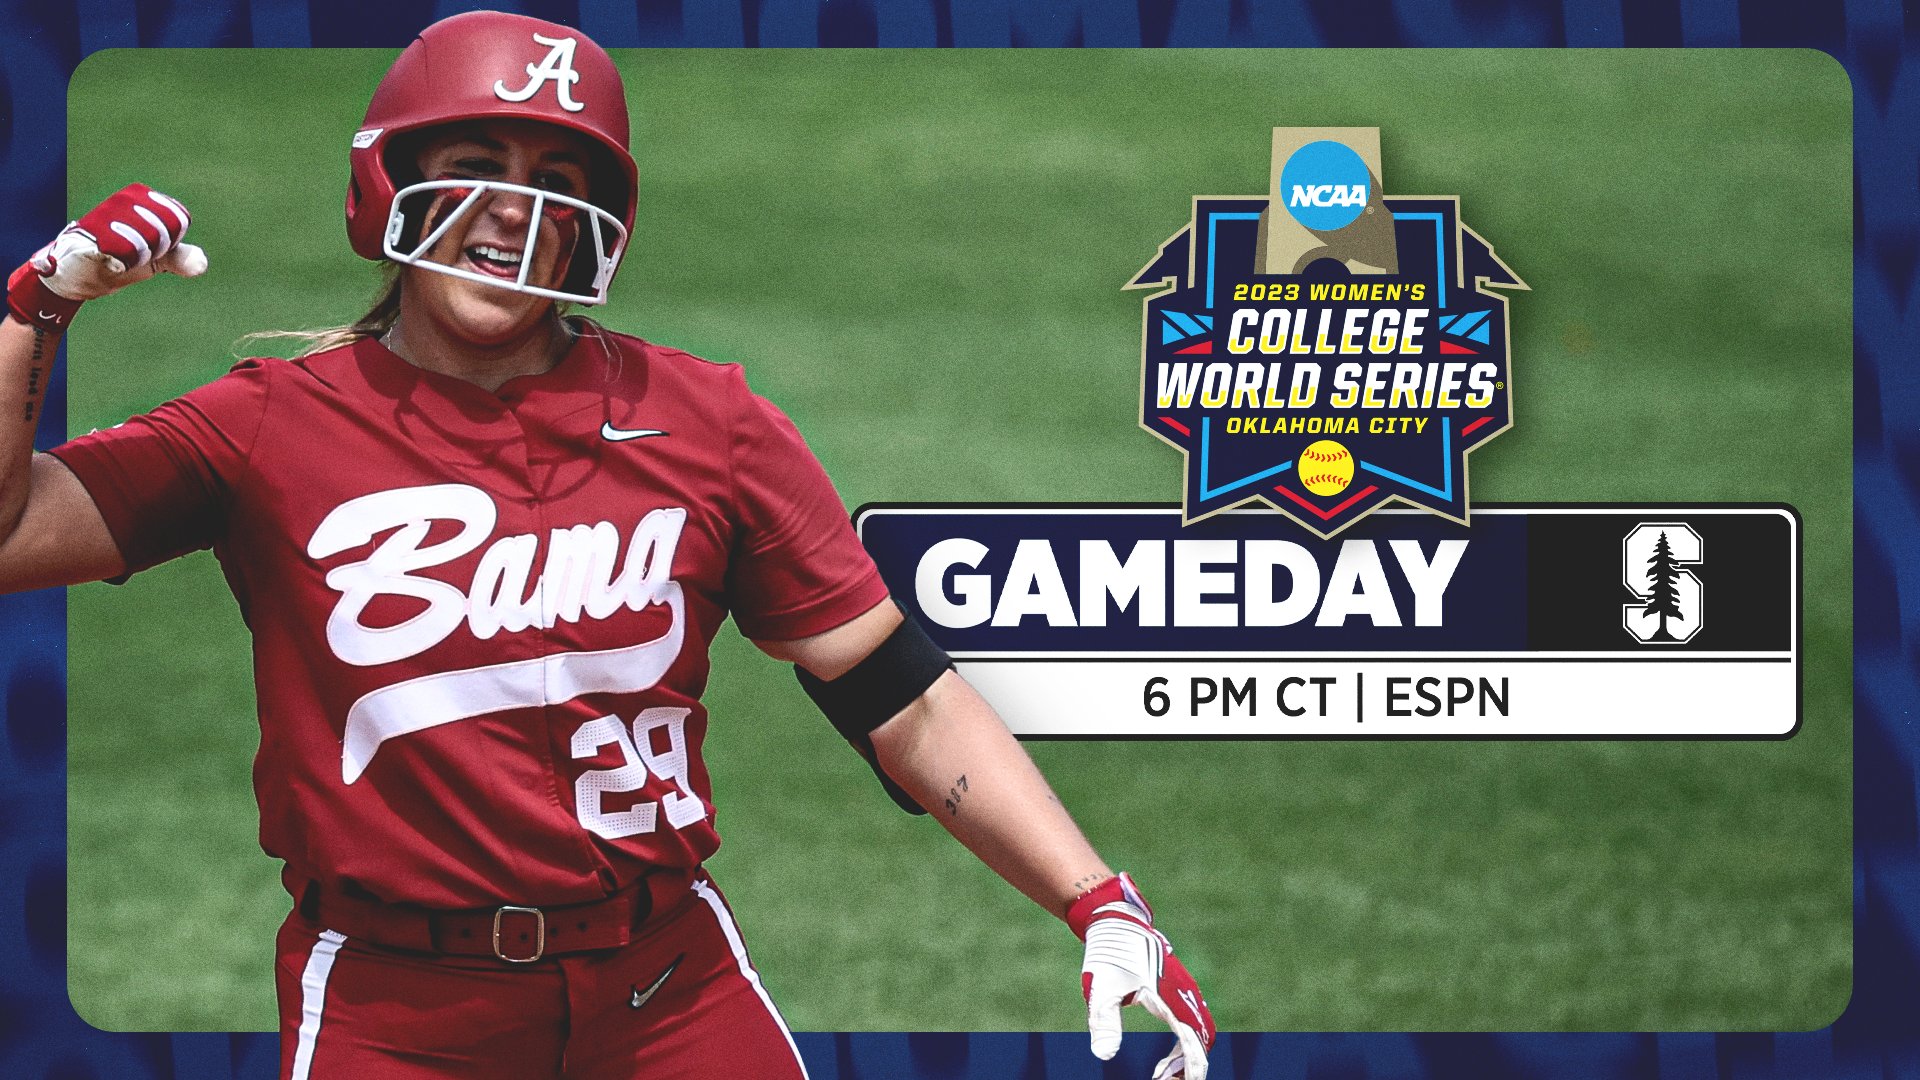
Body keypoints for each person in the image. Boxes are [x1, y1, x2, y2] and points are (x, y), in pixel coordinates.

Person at [0, 12, 1213, 1080]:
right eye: (477, 166)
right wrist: (38, 309)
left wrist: (1098, 899)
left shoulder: (708, 421)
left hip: (667, 984)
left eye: (554, 178)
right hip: (395, 1006)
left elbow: (902, 695)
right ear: (390, 182)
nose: (515, 208)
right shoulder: (270, 424)